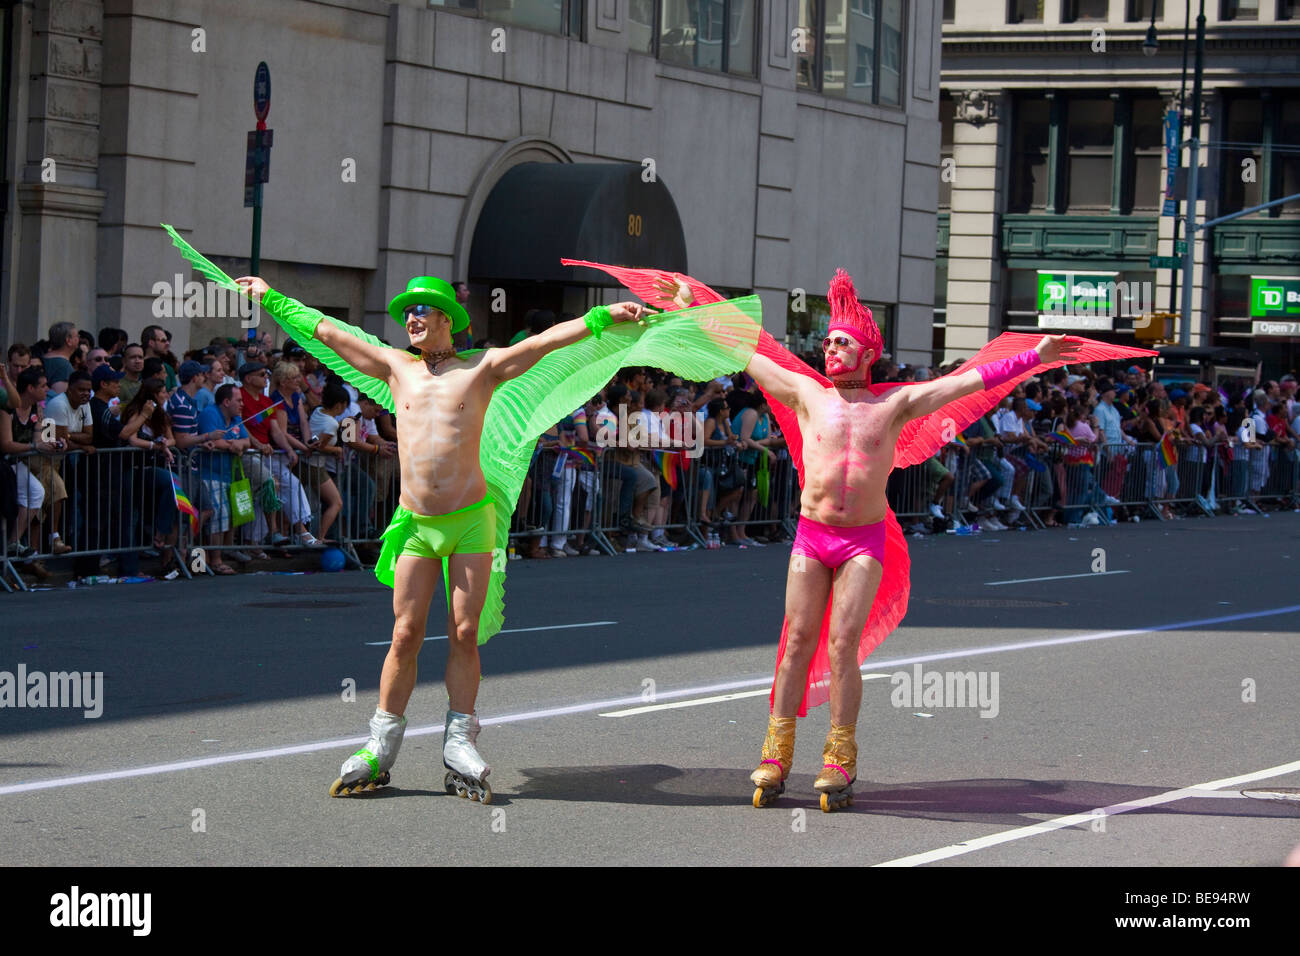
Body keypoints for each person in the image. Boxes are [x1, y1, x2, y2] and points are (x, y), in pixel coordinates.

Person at [234, 270, 741, 803]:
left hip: (472, 519)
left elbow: (544, 343)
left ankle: (459, 741)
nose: (411, 318)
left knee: (463, 630)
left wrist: (601, 317)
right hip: (417, 523)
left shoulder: (483, 367)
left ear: (448, 321)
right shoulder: (394, 367)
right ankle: (380, 745)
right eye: (408, 311)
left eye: (423, 310)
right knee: (405, 633)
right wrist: (272, 297)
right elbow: (329, 332)